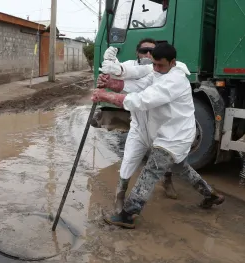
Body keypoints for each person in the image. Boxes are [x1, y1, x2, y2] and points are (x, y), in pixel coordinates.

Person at [92, 43, 225, 228]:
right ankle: (211, 195)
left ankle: (128, 215)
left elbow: (143, 99)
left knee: (152, 169)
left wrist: (106, 96)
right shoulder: (156, 71)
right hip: (160, 132)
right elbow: (138, 84)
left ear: (173, 62)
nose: (155, 68)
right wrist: (111, 84)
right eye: (154, 64)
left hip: (175, 135)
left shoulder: (175, 80)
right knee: (181, 168)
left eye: (160, 65)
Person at [96, 39, 178, 214]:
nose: (148, 54)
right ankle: (119, 196)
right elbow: (123, 76)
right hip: (139, 126)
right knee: (128, 161)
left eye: (152, 51)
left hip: (160, 128)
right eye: (144, 50)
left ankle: (168, 181)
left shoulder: (161, 73)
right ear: (137, 52)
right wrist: (106, 79)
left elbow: (138, 83)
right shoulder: (129, 66)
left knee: (169, 160)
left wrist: (111, 87)